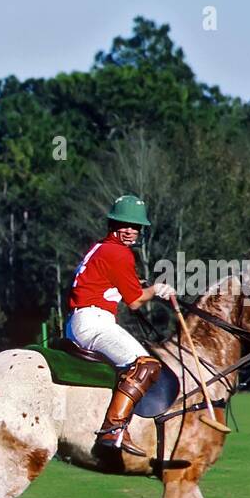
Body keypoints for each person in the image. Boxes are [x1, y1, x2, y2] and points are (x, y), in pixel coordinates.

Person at [65, 195, 175, 455]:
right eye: (124, 224)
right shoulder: (118, 253)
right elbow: (135, 301)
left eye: (135, 226)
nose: (130, 230)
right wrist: (157, 289)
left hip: (80, 320)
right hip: (93, 322)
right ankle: (113, 428)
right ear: (113, 224)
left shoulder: (100, 248)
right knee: (146, 365)